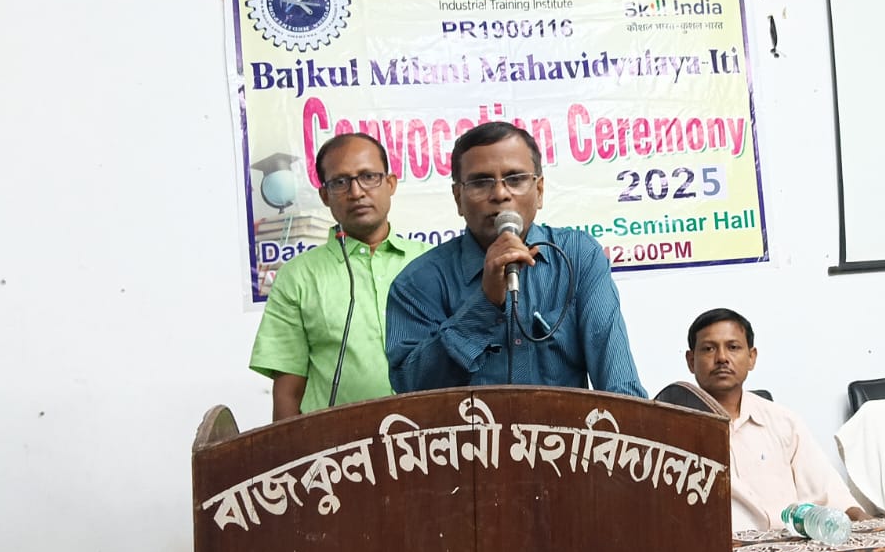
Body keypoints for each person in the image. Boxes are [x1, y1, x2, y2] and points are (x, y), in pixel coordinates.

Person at [385, 121, 645, 396]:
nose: (500, 194)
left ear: (539, 191)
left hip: (563, 425)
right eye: (480, 182)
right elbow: (410, 389)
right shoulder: (418, 281)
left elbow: (619, 384)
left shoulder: (578, 257)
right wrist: (484, 303)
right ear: (458, 197)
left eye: (515, 179)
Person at [249, 133, 427, 420]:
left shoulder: (431, 263)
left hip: (431, 437)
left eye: (368, 177)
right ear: (325, 196)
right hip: (337, 444)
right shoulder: (298, 277)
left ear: (390, 183)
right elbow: (288, 392)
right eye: (340, 182)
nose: (356, 192)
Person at [684, 307, 864, 531]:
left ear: (751, 358)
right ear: (691, 361)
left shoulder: (783, 422)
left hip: (789, 544)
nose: (722, 358)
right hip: (720, 548)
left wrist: (864, 520)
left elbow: (830, 493)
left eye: (733, 347)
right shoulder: (671, 430)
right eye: (709, 349)